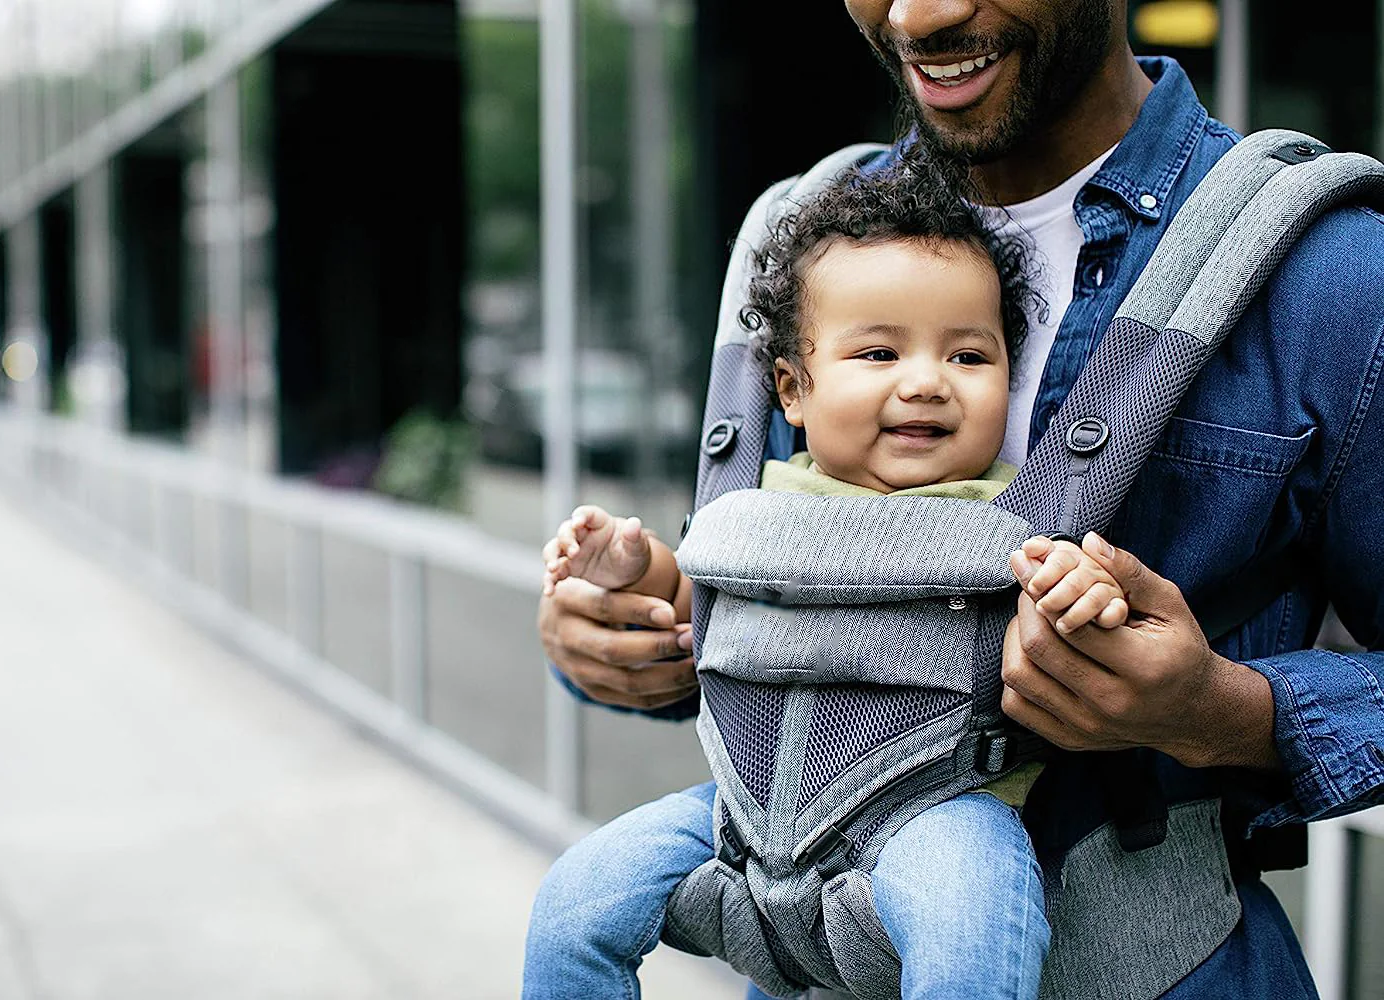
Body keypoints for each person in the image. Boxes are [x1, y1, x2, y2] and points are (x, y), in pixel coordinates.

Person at [536, 1, 1384, 996]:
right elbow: (757, 601)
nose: (917, 12)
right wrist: (628, 637)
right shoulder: (797, 242)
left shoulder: (1334, 275)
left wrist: (1221, 710)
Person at [527, 161, 1131, 999]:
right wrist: (633, 568)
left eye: (968, 353)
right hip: (742, 811)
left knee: (976, 937)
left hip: (940, 808)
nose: (926, 380)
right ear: (793, 390)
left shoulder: (1017, 512)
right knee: (573, 904)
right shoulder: (766, 495)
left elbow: (1079, 608)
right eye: (879, 351)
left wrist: (1088, 591)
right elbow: (700, 601)